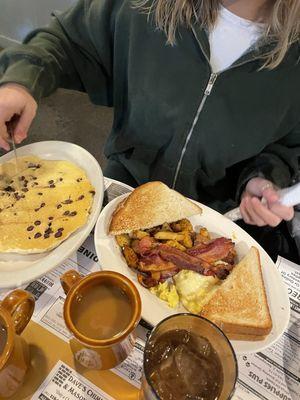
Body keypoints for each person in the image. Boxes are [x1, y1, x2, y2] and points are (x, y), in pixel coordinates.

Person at [0, 0, 299, 262]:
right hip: (124, 189)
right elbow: (68, 40)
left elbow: (288, 146)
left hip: (213, 220)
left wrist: (265, 178)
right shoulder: (142, 6)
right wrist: (21, 82)